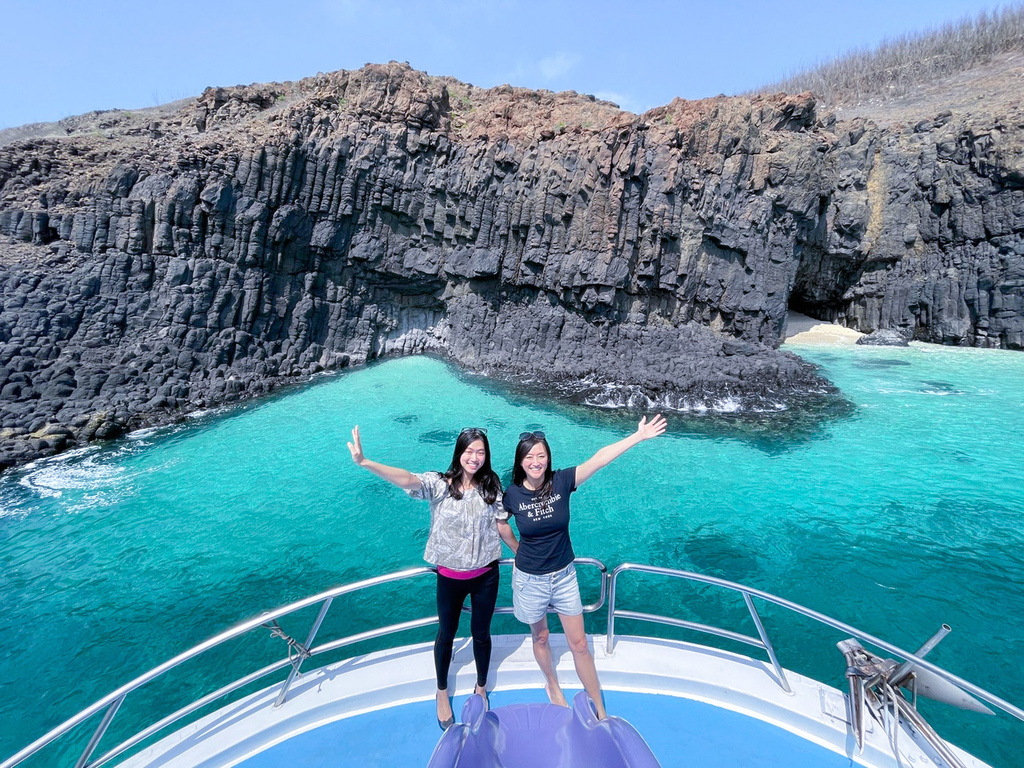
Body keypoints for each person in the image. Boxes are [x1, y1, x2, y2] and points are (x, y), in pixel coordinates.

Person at [347, 425, 517, 729]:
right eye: (469, 451)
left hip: (486, 576)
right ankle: (441, 691)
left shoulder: (492, 487)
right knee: (446, 634)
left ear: (486, 455)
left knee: (481, 634)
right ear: (459, 452)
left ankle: (480, 687)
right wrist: (365, 462)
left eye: (480, 452)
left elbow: (503, 525)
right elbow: (408, 479)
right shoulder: (441, 484)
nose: (474, 457)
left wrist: (521, 553)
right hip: (449, 577)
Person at [502, 415, 667, 719]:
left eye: (541, 455)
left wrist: (637, 437)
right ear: (520, 461)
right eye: (530, 457)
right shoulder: (511, 494)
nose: (536, 461)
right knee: (539, 637)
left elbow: (599, 460)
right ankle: (552, 685)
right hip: (529, 579)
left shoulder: (561, 481)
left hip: (564, 577)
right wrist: (516, 549)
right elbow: (501, 524)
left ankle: (601, 710)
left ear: (548, 457)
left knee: (579, 644)